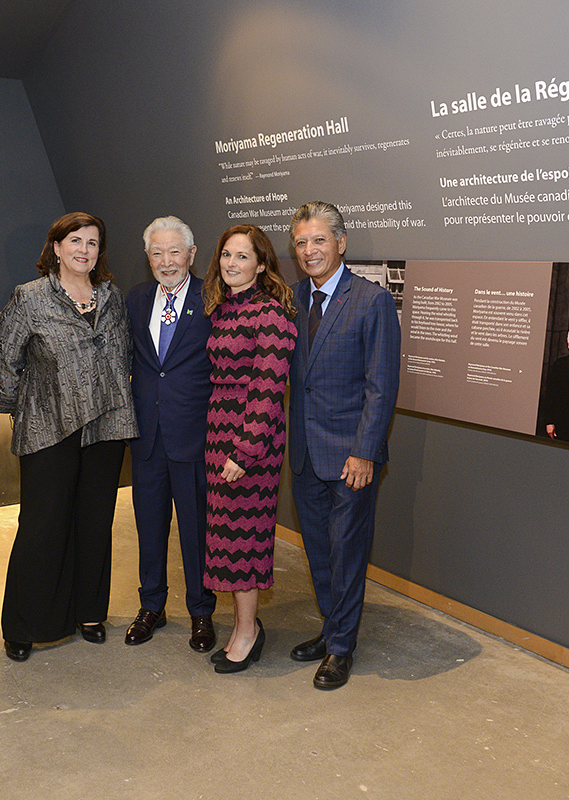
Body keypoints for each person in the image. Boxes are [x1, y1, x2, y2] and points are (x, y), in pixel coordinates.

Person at [0, 212, 138, 662]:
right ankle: (25, 623)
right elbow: (4, 360)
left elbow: (125, 353)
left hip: (106, 426)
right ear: (55, 248)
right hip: (49, 427)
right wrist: (23, 408)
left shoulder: (112, 297)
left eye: (93, 243)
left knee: (95, 522)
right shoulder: (30, 297)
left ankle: (90, 612)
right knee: (42, 527)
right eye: (75, 241)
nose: (84, 250)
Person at [287, 201, 401, 690]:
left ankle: (340, 648)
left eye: (318, 240)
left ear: (341, 242)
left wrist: (365, 451)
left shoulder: (371, 301)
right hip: (306, 454)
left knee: (347, 551)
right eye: (300, 243)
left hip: (350, 456)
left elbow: (381, 385)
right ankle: (331, 628)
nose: (309, 251)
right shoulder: (292, 299)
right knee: (317, 550)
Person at [200, 224, 296, 674]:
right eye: (226, 255)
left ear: (261, 265)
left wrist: (245, 450)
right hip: (218, 435)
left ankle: (246, 632)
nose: (231, 264)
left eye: (242, 257)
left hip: (250, 442)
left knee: (245, 542)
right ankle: (245, 624)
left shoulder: (270, 313)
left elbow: (267, 387)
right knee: (225, 538)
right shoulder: (222, 309)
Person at [124, 216, 217, 651]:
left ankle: (201, 611)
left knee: (196, 530)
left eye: (174, 252)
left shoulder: (212, 298)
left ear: (192, 255)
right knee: (149, 526)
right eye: (157, 253)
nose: (166, 261)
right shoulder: (138, 298)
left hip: (193, 436)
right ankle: (152, 606)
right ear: (148, 258)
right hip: (146, 438)